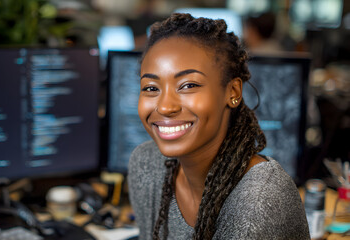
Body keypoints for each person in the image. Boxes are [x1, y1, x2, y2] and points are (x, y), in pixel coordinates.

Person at [128, 13, 310, 240]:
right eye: (151, 88)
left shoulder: (259, 202)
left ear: (232, 92)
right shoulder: (146, 165)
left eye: (188, 85)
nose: (165, 107)